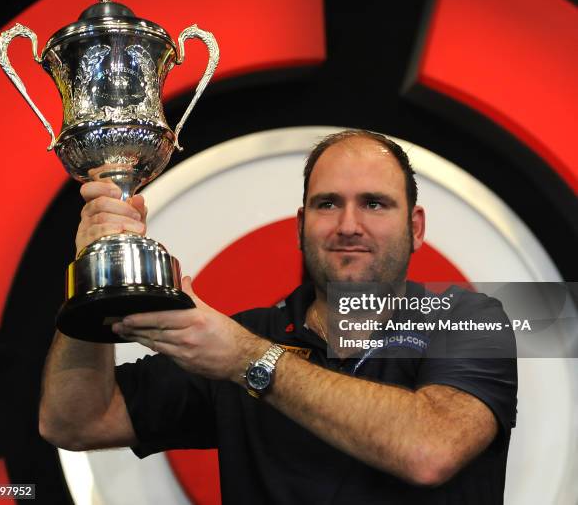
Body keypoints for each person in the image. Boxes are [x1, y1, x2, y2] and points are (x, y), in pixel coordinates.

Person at [39, 130, 517, 504]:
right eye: (327, 204)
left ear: (415, 228)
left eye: (374, 203)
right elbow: (75, 421)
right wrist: (92, 275)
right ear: (301, 226)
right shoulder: (241, 337)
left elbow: (429, 450)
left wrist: (248, 361)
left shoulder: (471, 318)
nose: (349, 225)